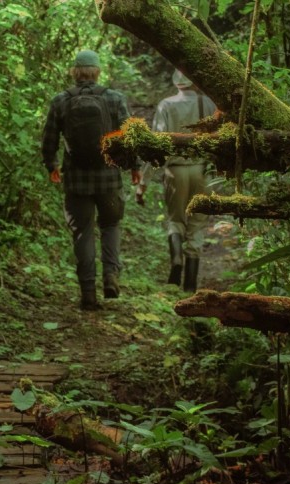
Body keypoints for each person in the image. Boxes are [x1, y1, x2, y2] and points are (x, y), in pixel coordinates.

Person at [42, 49, 142, 311]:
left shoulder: (61, 101)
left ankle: (88, 293)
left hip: (76, 180)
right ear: (97, 72)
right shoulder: (114, 99)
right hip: (109, 179)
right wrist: (134, 166)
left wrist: (52, 165)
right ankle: (111, 275)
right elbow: (129, 137)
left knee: (82, 233)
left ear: (75, 72)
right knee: (110, 226)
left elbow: (49, 139)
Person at [137, 69, 217, 293]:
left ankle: (176, 262)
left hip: (175, 171)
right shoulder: (209, 104)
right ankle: (190, 286)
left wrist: (143, 183)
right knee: (197, 225)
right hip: (201, 171)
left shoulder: (166, 105)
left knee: (175, 220)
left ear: (175, 81)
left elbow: (157, 147)